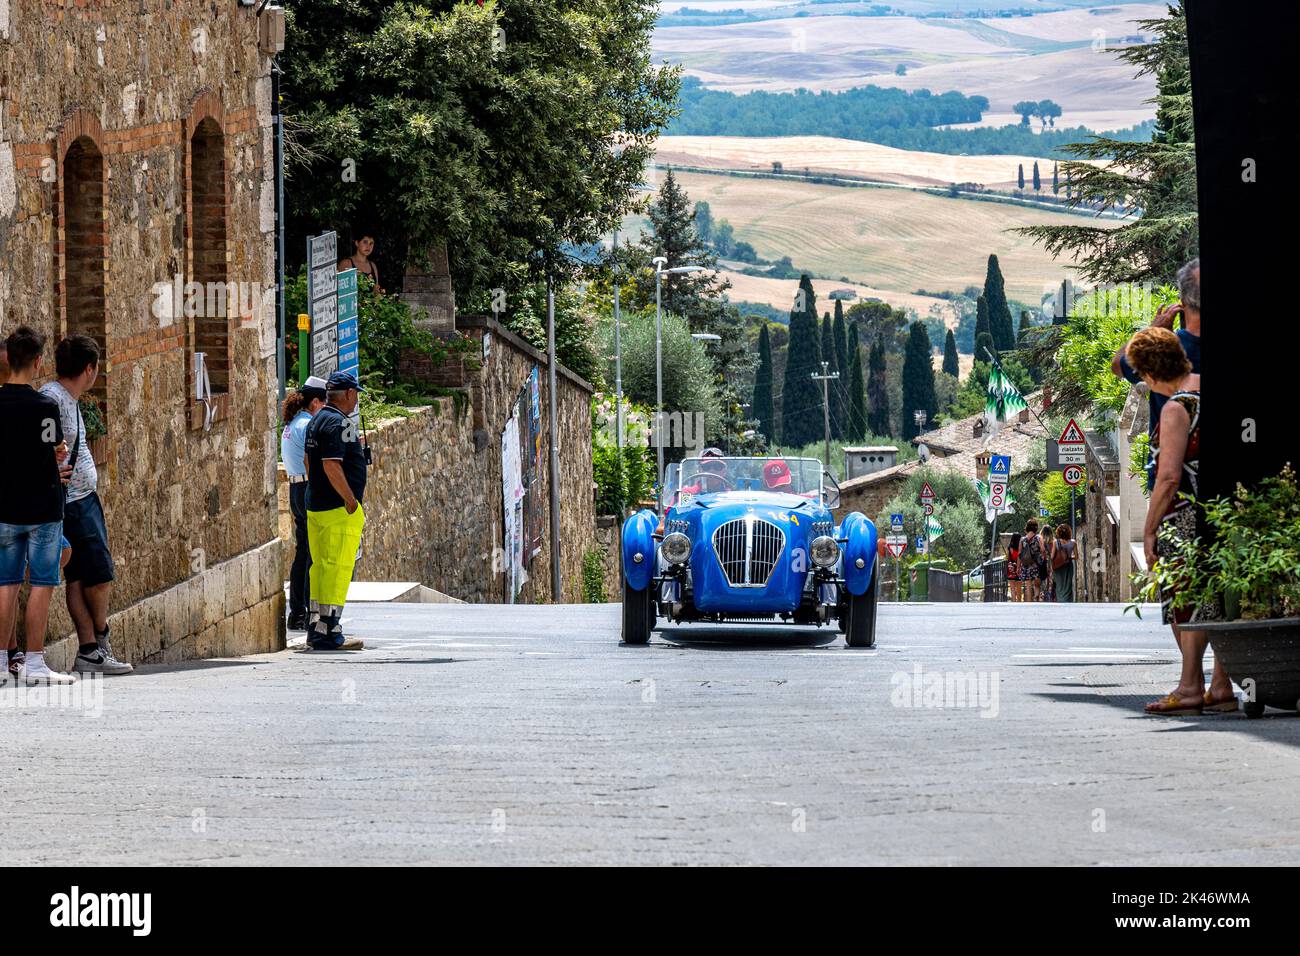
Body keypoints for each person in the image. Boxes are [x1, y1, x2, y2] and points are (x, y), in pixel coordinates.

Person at [1127, 327, 1232, 714]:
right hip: (1221, 510)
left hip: (1186, 517)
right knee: (1218, 598)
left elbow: (1169, 476)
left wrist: (1151, 527)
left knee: (1186, 600)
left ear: (1151, 374)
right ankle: (1220, 686)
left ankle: (1190, 686)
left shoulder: (1177, 408)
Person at [39, 335, 133, 675]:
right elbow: (43, 447)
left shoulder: (65, 398)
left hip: (81, 500)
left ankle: (90, 650)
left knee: (79, 578)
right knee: (98, 576)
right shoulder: (52, 399)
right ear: (89, 368)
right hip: (74, 503)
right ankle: (100, 637)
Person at [0, 326, 76, 684]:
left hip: (4, 506)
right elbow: (52, 449)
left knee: (6, 583)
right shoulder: (44, 406)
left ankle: (1, 661)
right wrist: (57, 451)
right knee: (42, 582)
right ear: (37, 362)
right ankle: (33, 663)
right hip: (43, 506)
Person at [1112, 258, 1201, 491]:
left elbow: (1116, 365)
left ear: (1182, 301)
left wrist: (1153, 331)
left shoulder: (1167, 349)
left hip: (1178, 486)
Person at [304, 370, 369, 650]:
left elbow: (309, 461)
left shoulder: (316, 419)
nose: (356, 402)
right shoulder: (340, 423)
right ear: (350, 394)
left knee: (319, 567)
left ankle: (316, 625)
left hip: (316, 505)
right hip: (338, 509)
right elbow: (331, 464)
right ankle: (331, 629)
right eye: (356, 396)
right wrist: (350, 500)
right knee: (338, 568)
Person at [281, 376, 328, 631]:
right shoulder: (309, 425)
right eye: (324, 402)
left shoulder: (292, 424)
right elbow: (313, 461)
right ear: (315, 402)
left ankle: (297, 612)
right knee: (313, 554)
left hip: (294, 488)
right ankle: (310, 613)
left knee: (303, 552)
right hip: (308, 487)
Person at [1019, 519, 1043, 602]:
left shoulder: (1022, 539)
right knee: (1037, 584)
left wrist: (1018, 567)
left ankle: (1029, 602)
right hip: (1036, 564)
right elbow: (1043, 550)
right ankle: (1036, 597)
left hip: (1025, 564)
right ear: (1036, 527)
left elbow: (1019, 554)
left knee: (1028, 585)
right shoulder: (1038, 538)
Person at [1052, 524, 1076, 603]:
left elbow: (1052, 556)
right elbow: (1076, 557)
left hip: (1058, 566)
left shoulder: (1056, 542)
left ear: (1058, 532)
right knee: (1068, 585)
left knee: (1059, 585)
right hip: (1068, 566)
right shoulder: (1073, 542)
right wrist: (1068, 557)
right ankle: (1068, 601)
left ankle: (1060, 601)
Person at [1039, 525, 1056, 601]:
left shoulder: (1040, 541)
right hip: (1052, 564)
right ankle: (1051, 597)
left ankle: (1043, 598)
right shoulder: (1054, 542)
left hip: (1043, 564)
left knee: (1043, 582)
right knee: (1051, 581)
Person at [1007, 532, 1022, 602]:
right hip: (1019, 567)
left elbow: (1008, 558)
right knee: (1019, 588)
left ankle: (1013, 602)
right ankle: (1019, 601)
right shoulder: (1020, 548)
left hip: (1011, 568)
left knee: (1012, 588)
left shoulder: (1010, 548)